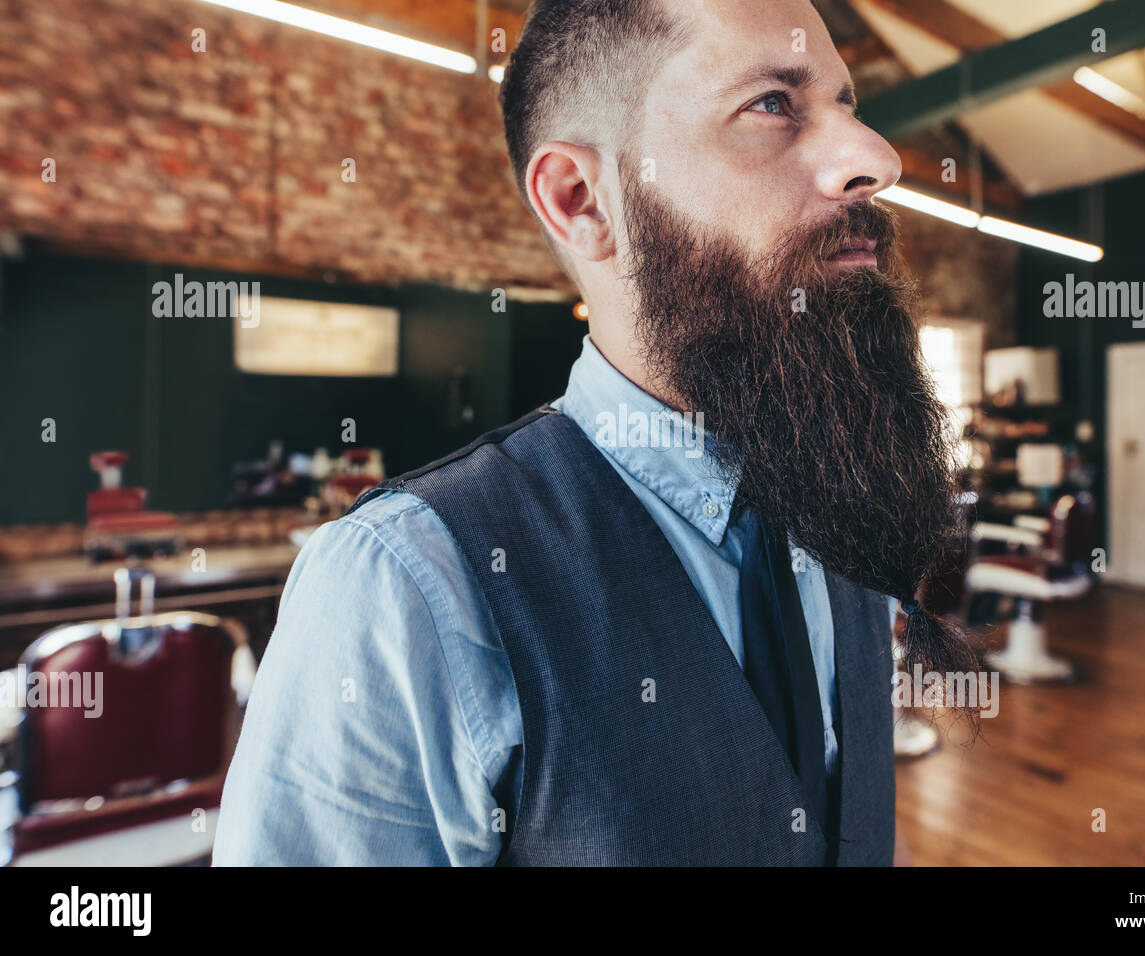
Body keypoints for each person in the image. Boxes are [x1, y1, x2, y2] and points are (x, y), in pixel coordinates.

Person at [214, 0, 975, 867]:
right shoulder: (406, 593)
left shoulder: (842, 501)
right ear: (583, 201)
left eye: (848, 106)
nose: (876, 156)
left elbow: (856, 816)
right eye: (773, 102)